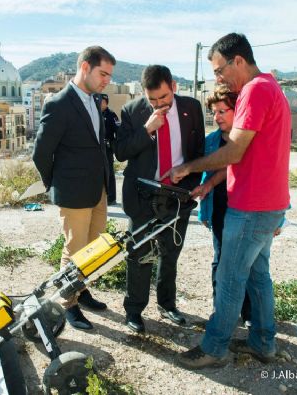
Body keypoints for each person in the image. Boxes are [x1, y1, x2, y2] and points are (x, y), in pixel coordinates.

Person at [169, 33, 291, 369]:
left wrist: (189, 167)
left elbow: (235, 150)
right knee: (257, 275)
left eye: (220, 70)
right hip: (269, 204)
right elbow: (250, 154)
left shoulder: (254, 90)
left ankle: (214, 347)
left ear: (238, 60)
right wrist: (210, 186)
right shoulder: (270, 86)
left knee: (230, 277)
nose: (219, 78)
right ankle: (263, 343)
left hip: (252, 207)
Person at [115, 65, 204, 333]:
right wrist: (147, 129)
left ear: (173, 87)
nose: (158, 104)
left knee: (170, 252)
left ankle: (167, 305)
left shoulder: (192, 107)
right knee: (139, 254)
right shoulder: (132, 111)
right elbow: (121, 152)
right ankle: (134, 311)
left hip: (177, 195)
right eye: (152, 99)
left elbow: (197, 150)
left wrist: (188, 185)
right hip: (142, 193)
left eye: (163, 98)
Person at [32, 46, 116, 330]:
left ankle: (82, 290)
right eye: (102, 73)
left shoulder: (95, 101)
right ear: (85, 68)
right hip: (73, 193)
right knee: (75, 250)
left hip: (98, 190)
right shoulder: (58, 103)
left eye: (109, 75)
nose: (106, 80)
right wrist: (55, 184)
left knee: (94, 250)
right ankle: (69, 304)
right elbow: (41, 152)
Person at [193, 85, 252, 326]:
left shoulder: (251, 139)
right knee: (220, 260)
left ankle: (249, 314)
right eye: (214, 112)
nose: (216, 117)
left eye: (221, 111)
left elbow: (271, 176)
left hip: (248, 209)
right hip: (219, 208)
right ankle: (221, 311)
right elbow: (206, 177)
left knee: (247, 263)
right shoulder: (211, 141)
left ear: (237, 110)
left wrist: (278, 218)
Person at [100, 93, 120, 205]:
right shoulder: (95, 113)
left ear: (106, 102)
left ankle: (111, 198)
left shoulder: (111, 114)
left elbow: (119, 130)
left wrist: (116, 145)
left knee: (110, 173)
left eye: (103, 101)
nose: (100, 103)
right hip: (96, 149)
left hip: (107, 148)